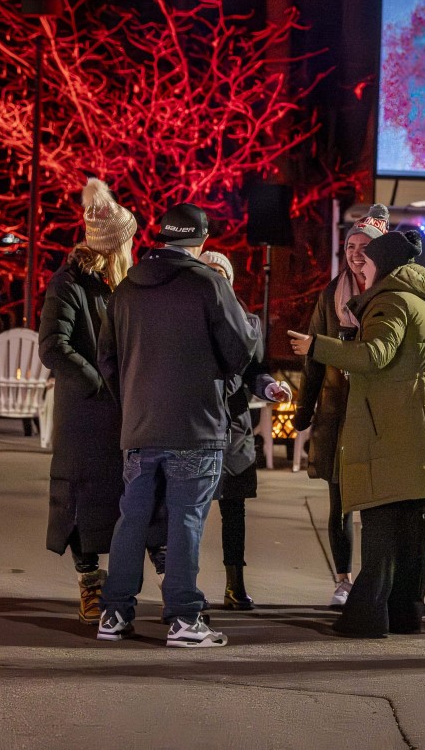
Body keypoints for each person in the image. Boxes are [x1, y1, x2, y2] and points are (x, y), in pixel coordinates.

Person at [289, 230, 425, 637]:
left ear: (385, 265)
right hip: (418, 428)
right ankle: (403, 614)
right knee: (410, 531)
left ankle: (365, 617)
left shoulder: (390, 300)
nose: (363, 267)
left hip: (393, 431)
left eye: (369, 262)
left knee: (380, 526)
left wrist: (317, 346)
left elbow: (374, 355)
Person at [96, 203, 261, 647]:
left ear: (162, 236)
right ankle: (185, 618)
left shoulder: (127, 289)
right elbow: (241, 349)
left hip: (140, 426)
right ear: (201, 240)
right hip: (196, 425)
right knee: (186, 520)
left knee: (132, 519)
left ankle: (114, 613)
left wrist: (132, 402)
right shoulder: (207, 283)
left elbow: (107, 360)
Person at [39, 179, 137, 624]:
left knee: (116, 497)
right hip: (84, 411)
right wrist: (97, 382)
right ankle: (89, 584)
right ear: (115, 245)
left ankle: (117, 585)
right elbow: (53, 347)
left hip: (119, 410)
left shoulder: (122, 285)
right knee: (80, 497)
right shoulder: (69, 283)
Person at [294, 203, 389, 607]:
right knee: (339, 502)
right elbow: (313, 354)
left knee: (378, 504)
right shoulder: (332, 294)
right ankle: (343, 579)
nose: (355, 252)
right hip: (337, 409)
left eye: (364, 245)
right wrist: (304, 411)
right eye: (351, 245)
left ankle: (377, 581)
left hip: (379, 414)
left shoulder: (390, 294)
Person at [199, 251, 292, 610]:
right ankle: (180, 586)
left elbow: (255, 371)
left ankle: (234, 585)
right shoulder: (189, 320)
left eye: (221, 272)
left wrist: (269, 387)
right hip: (197, 426)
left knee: (233, 510)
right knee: (189, 511)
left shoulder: (248, 323)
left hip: (234, 427)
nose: (215, 278)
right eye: (208, 272)